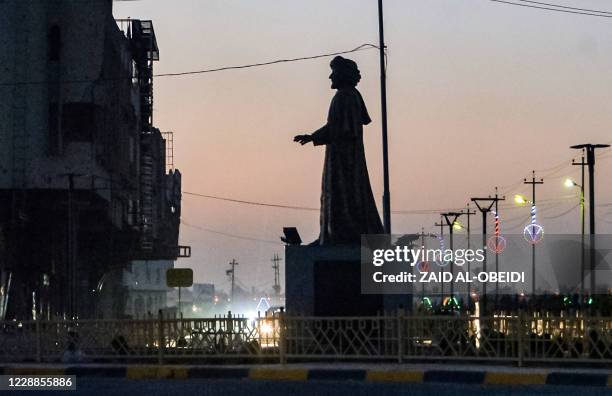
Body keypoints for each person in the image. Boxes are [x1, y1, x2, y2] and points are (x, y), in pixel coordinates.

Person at [294, 56, 384, 245]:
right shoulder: (346, 96)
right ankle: (330, 235)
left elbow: (342, 128)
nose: (330, 77)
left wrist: (313, 137)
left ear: (342, 74)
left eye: (333, 72)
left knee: (342, 194)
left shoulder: (346, 97)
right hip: (340, 156)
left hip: (345, 160)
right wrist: (314, 136)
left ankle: (340, 235)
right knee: (335, 193)